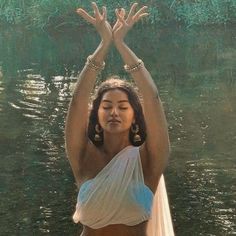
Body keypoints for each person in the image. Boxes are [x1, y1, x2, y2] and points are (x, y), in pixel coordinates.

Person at [65, 2, 174, 236]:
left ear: (136, 116)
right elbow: (77, 100)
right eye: (106, 106)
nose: (114, 111)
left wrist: (121, 45)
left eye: (123, 106)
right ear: (96, 115)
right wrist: (104, 44)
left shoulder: (149, 160)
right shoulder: (83, 156)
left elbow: (152, 98)